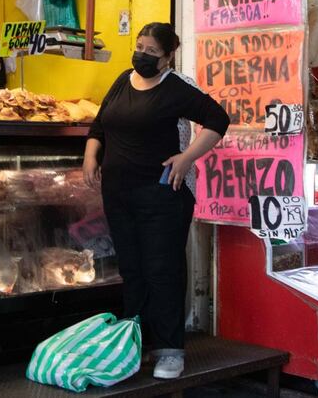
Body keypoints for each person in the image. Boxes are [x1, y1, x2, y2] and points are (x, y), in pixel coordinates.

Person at [83, 22, 229, 380]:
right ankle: (135, 344)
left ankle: (169, 351)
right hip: (119, 194)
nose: (142, 55)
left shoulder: (176, 88)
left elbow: (218, 119)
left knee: (162, 270)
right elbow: (99, 125)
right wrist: (91, 156)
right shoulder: (121, 81)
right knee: (132, 271)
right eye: (139, 47)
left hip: (162, 195)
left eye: (151, 51)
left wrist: (187, 157)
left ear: (168, 56)